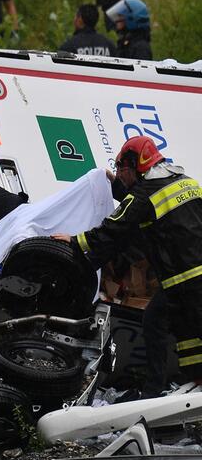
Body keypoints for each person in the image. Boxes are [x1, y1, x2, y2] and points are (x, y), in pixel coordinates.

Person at [54, 135, 202, 390]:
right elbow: (143, 205)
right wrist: (114, 185)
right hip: (190, 276)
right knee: (174, 327)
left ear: (136, 165)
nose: (120, 174)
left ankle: (165, 391)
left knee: (183, 332)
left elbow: (116, 227)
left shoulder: (145, 194)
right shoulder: (186, 182)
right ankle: (180, 386)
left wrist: (76, 240)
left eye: (122, 169)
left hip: (184, 280)